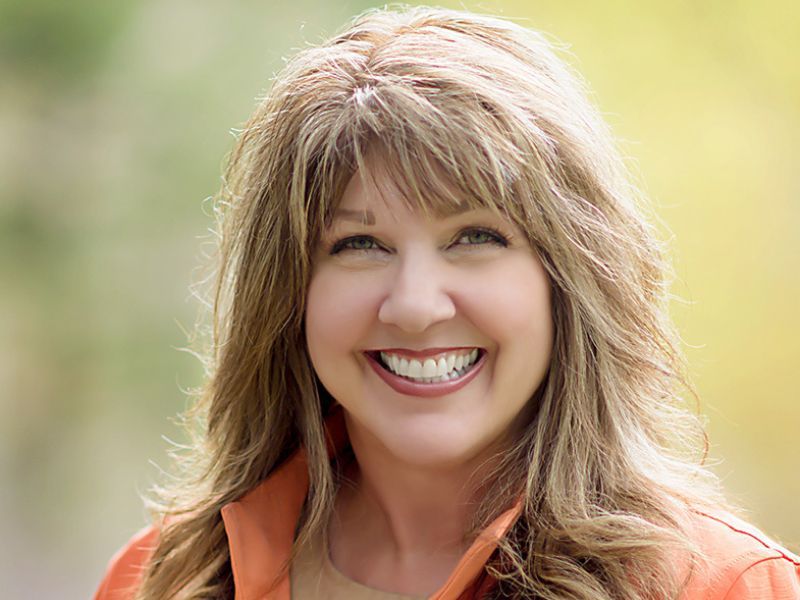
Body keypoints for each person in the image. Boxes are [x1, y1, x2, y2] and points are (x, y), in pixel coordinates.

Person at [94, 6, 800, 600]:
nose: (415, 306)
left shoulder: (724, 585)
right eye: (358, 245)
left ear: (570, 278)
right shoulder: (163, 577)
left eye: (475, 236)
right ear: (289, 295)